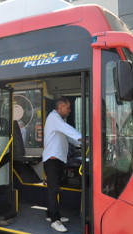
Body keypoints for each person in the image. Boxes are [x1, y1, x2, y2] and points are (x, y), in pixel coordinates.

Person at [42, 97, 82, 233]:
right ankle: (55, 220)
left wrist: (80, 142)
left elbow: (67, 136)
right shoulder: (54, 118)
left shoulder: (57, 121)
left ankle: (51, 214)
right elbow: (67, 129)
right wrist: (81, 137)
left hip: (57, 161)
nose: (69, 110)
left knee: (55, 188)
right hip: (52, 162)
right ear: (60, 108)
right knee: (53, 190)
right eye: (68, 108)